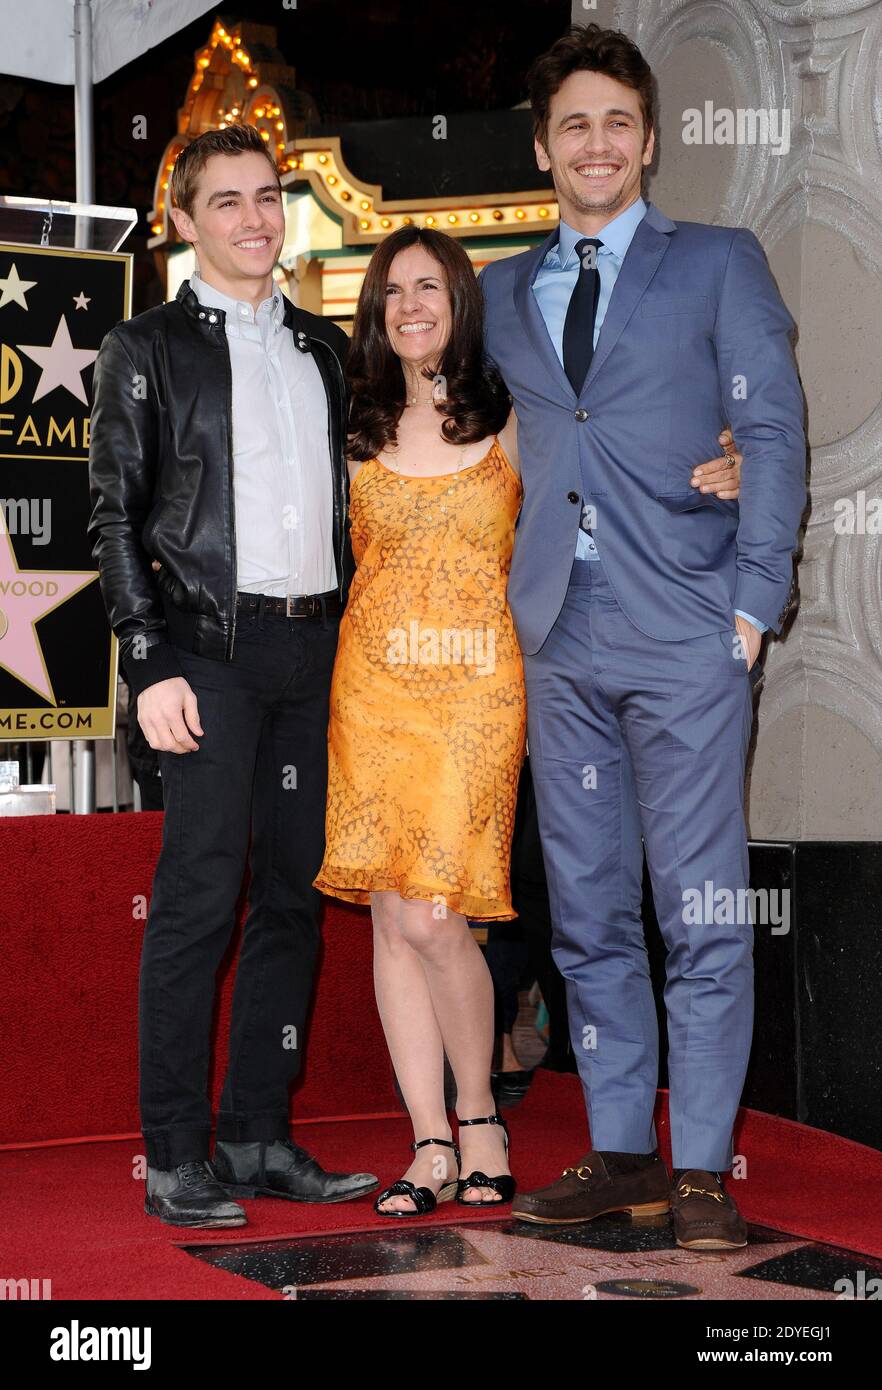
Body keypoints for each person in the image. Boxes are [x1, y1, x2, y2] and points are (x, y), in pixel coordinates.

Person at [312, 225, 744, 1217]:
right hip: (371, 688)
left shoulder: (514, 418)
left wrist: (728, 452)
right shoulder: (354, 424)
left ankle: (480, 1117)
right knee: (388, 915)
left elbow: (624, 435)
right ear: (375, 314)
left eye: (430, 286)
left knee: (436, 915)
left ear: (462, 305)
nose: (411, 303)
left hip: (476, 687)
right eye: (392, 291)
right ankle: (425, 1140)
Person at [479, 24, 805, 1249]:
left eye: (618, 121)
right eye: (575, 124)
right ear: (543, 147)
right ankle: (624, 1154)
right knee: (589, 915)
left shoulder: (719, 261)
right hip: (562, 637)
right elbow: (477, 433)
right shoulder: (505, 291)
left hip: (688, 631)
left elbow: (771, 432)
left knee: (704, 907)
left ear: (651, 140)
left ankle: (706, 1170)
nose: (597, 143)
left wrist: (752, 602)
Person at [88, 123, 378, 1227]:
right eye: (227, 202)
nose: (256, 219)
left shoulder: (322, 348)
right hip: (206, 655)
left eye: (269, 197)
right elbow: (116, 517)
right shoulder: (143, 348)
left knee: (293, 901)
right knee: (199, 901)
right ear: (183, 220)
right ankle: (174, 1154)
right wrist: (147, 657)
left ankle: (257, 1132)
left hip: (317, 653)